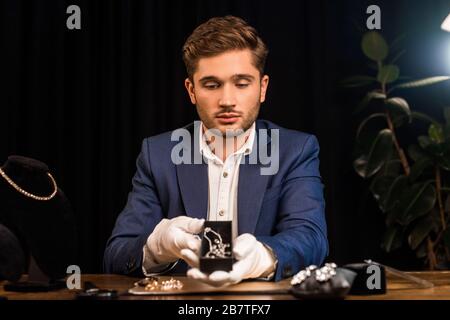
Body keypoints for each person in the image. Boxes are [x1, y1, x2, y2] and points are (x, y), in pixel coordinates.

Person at [104, 15, 328, 286]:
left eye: (242, 83)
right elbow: (116, 254)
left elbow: (311, 238)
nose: (227, 101)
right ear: (192, 90)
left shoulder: (295, 150)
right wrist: (157, 247)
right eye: (212, 85)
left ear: (262, 88)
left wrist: (262, 256)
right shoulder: (158, 154)